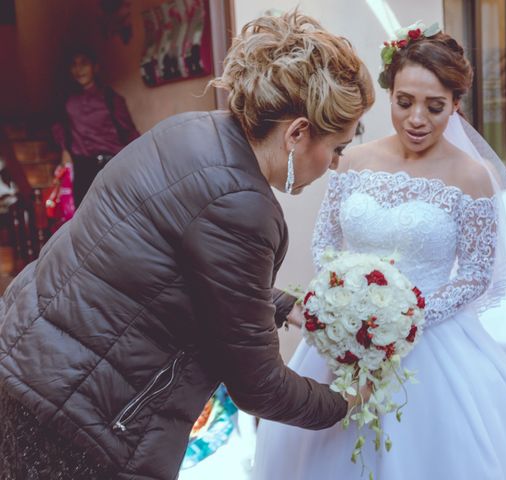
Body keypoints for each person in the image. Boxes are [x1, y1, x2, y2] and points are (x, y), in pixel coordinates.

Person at [0, 11, 374, 480]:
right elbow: (259, 386)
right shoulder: (243, 205)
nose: (336, 164)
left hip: (28, 362)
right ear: (297, 133)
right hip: (83, 419)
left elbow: (181, 269)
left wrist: (283, 306)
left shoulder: (194, 131)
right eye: (336, 148)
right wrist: (343, 401)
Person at [252, 23, 506, 479]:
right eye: (404, 102)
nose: (417, 119)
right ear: (390, 93)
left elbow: (474, 275)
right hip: (347, 336)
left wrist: (405, 318)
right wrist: (341, 300)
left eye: (435, 107)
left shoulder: (471, 177)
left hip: (434, 341)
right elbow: (326, 241)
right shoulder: (353, 159)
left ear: (456, 105)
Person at [52, 48, 140, 207]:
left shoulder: (111, 99)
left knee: (117, 212)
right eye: (74, 64)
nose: (79, 69)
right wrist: (65, 152)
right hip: (83, 168)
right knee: (85, 217)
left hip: (112, 165)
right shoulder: (67, 100)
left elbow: (129, 132)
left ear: (95, 67)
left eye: (84, 63)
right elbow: (60, 128)